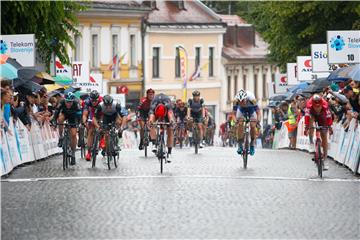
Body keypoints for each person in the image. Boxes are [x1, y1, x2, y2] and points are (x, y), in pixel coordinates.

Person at [304, 94, 333, 170]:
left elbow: (329, 118)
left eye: (318, 106)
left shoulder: (325, 105)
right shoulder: (309, 105)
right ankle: (311, 143)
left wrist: (329, 127)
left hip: (322, 115)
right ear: (312, 105)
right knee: (310, 124)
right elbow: (306, 117)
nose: (317, 108)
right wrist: (306, 128)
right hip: (312, 115)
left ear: (321, 105)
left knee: (324, 135)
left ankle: (325, 159)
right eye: (315, 106)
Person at [53, 92, 82, 165]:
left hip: (73, 116)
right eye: (67, 102)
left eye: (70, 102)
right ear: (64, 100)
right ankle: (61, 137)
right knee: (60, 119)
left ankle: (73, 154)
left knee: (73, 135)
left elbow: (79, 115)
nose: (68, 104)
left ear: (73, 101)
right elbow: (57, 111)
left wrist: (78, 123)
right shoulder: (62, 102)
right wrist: (54, 121)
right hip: (65, 114)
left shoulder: (76, 103)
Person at [148, 93, 175, 161]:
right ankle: (154, 143)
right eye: (159, 117)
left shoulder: (168, 106)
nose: (160, 118)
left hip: (166, 114)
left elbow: (170, 115)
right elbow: (151, 116)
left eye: (161, 117)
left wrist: (171, 121)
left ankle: (169, 152)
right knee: (151, 125)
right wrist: (151, 122)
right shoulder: (153, 106)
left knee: (170, 131)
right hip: (156, 112)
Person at [234, 89, 261, 156]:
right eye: (240, 102)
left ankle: (252, 144)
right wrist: (236, 121)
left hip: (251, 109)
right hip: (241, 110)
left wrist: (258, 121)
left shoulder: (252, 99)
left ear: (246, 99)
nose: (241, 103)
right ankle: (240, 145)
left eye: (242, 101)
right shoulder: (235, 101)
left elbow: (258, 112)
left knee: (252, 125)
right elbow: (233, 114)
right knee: (240, 124)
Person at [82, 90, 102, 161]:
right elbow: (85, 114)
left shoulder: (101, 101)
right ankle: (89, 152)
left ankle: (102, 143)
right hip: (92, 114)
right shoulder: (87, 102)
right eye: (92, 101)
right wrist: (85, 122)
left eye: (95, 101)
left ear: (98, 99)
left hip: (100, 113)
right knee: (90, 131)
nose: (94, 102)